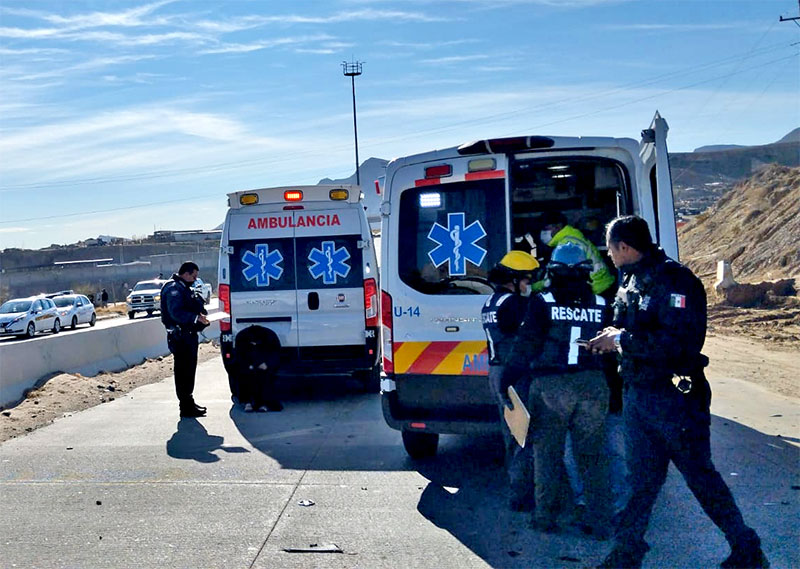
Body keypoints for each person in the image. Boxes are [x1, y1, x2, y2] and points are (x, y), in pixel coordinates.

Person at [588, 215, 768, 569]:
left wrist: (622, 339)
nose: (609, 256)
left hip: (675, 397)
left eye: (610, 249)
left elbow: (677, 344)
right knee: (640, 481)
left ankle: (747, 549)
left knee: (700, 477)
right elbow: (629, 327)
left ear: (624, 247)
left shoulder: (676, 281)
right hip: (639, 395)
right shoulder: (632, 279)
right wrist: (611, 337)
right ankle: (626, 553)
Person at [504, 241, 612, 538]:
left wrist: (507, 379)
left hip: (551, 387)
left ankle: (545, 518)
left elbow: (526, 345)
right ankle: (599, 521)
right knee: (593, 458)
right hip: (592, 385)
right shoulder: (602, 304)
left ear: (552, 271)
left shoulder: (543, 302)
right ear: (587, 272)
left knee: (547, 456)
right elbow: (611, 353)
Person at [481, 250, 538, 511]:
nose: (529, 285)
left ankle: (519, 489)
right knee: (522, 437)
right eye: (526, 280)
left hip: (496, 372)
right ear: (513, 279)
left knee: (512, 434)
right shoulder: (513, 304)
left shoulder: (491, 302)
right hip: (513, 374)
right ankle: (523, 496)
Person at [161, 262, 210, 418]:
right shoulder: (173, 288)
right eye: (193, 276)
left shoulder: (183, 287)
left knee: (189, 370)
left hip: (188, 335)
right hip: (180, 337)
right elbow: (176, 313)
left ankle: (188, 402)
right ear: (186, 274)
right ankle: (185, 405)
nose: (195, 280)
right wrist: (195, 318)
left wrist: (199, 312)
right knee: (183, 372)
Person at [538, 211, 615, 297]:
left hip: (595, 290)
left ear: (558, 226)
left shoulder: (567, 244)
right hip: (601, 286)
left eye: (545, 228)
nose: (543, 232)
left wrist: (532, 287)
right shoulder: (572, 237)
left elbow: (557, 277)